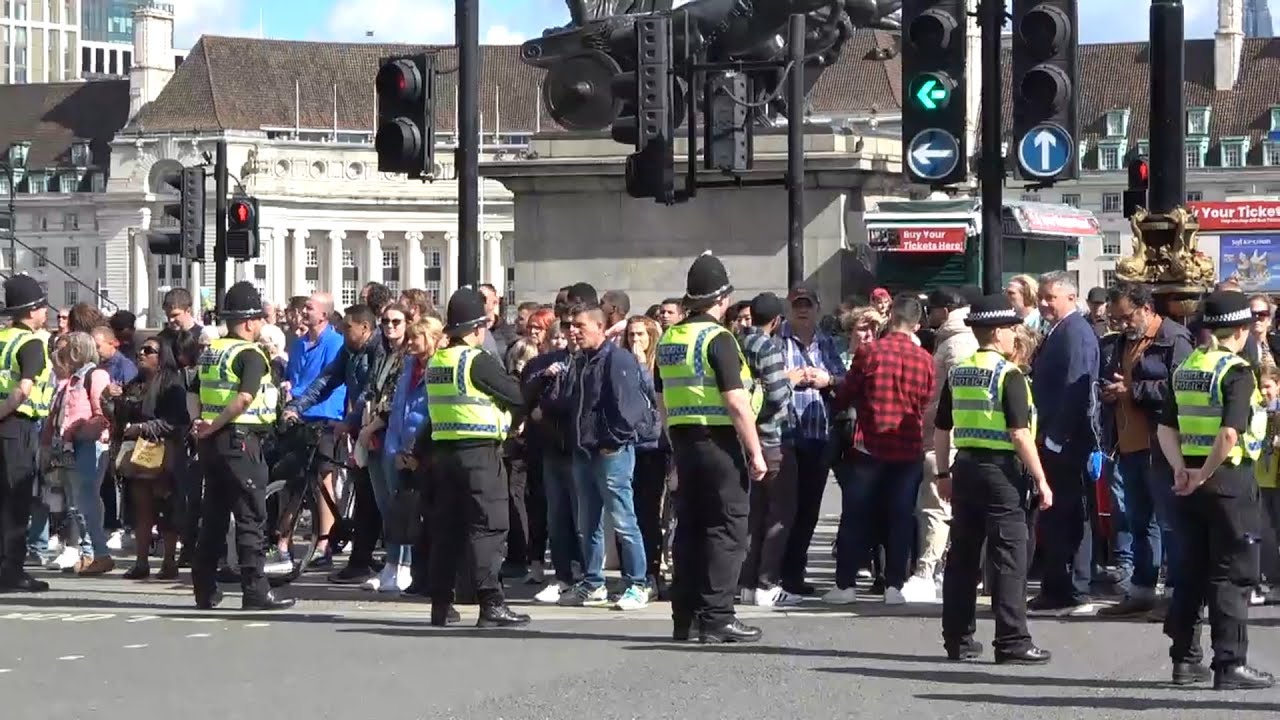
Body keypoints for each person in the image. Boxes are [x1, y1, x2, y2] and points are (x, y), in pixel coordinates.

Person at [1155, 290, 1274, 689]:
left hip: (1188, 481)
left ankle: (1184, 660)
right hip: (1227, 481)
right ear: (1240, 330)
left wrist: (1181, 471)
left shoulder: (1188, 366)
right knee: (1232, 574)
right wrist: (1204, 472)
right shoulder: (1237, 371)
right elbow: (1228, 434)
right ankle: (1230, 663)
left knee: (1189, 571)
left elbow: (1165, 428)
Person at [934, 294, 1053, 665]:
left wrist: (942, 473)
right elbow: (1020, 434)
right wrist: (1041, 479)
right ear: (999, 332)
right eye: (1012, 328)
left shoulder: (960, 371)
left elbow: (941, 429)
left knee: (963, 557)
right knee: (1008, 559)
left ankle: (958, 639)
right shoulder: (1008, 375)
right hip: (1002, 473)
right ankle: (1012, 640)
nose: (1015, 335)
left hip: (965, 468)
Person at [655, 253, 767, 643]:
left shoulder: (670, 339)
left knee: (690, 529)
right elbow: (736, 402)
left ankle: (685, 617)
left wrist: (673, 445)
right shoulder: (718, 339)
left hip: (683, 442)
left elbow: (662, 399)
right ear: (721, 299)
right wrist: (755, 452)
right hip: (718, 443)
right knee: (727, 529)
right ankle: (718, 616)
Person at [426, 287, 528, 628]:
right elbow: (516, 394)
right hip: (479, 455)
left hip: (443, 453)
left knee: (447, 530)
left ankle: (441, 604)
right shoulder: (476, 360)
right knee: (488, 526)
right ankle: (491, 603)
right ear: (475, 329)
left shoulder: (437, 362)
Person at [188, 282, 293, 611]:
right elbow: (245, 398)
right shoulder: (250, 354)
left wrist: (200, 425)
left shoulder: (212, 351)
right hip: (241, 440)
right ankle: (256, 591)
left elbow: (192, 392)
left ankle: (204, 589)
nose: (262, 325)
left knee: (215, 516)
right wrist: (216, 424)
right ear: (248, 322)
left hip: (211, 444)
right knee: (250, 516)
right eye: (260, 319)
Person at [0, 275, 55, 593]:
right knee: (17, 499)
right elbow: (23, 390)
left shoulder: (3, 338)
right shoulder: (31, 342)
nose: (45, 312)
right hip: (17, 425)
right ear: (32, 310)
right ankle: (13, 570)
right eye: (42, 307)